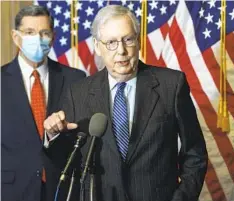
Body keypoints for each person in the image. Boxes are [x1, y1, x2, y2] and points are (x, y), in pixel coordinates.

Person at [44, 5, 208, 201]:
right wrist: (53, 135)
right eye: (111, 42)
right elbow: (66, 163)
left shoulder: (171, 86)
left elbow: (195, 154)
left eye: (128, 39)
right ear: (97, 46)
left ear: (138, 41)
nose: (121, 50)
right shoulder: (77, 93)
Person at [1, 5, 86, 201]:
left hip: (62, 189)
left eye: (44, 33)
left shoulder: (76, 79)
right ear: (16, 37)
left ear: (53, 36)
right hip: (11, 191)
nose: (37, 39)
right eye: (29, 33)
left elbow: (82, 136)